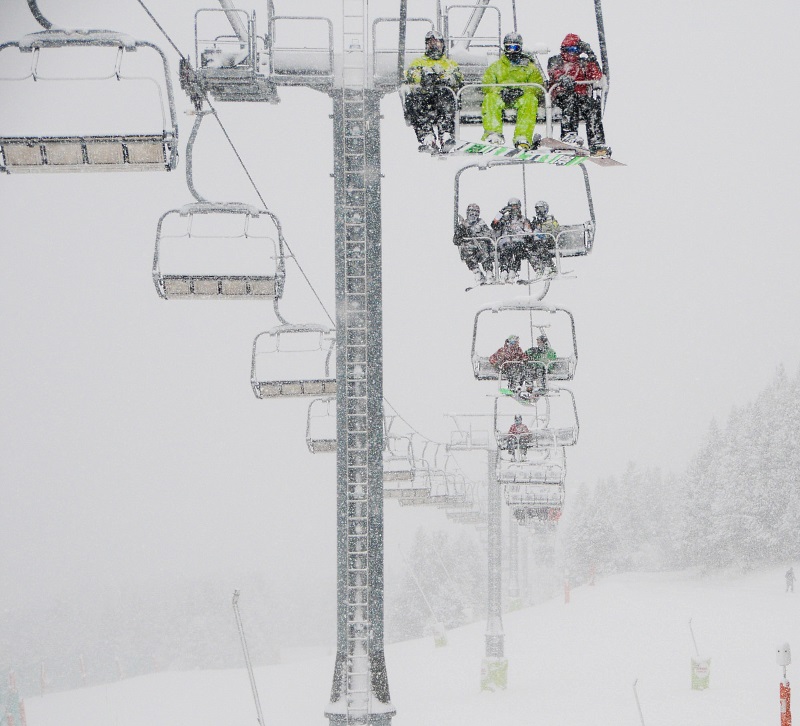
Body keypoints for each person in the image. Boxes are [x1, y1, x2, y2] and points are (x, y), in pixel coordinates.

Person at [547, 34, 610, 156]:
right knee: (570, 100)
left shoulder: (583, 63)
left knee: (592, 106)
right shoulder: (556, 61)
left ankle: (596, 142)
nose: (572, 54)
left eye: (575, 50)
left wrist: (591, 56)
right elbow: (554, 72)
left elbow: (596, 76)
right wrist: (562, 78)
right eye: (569, 50)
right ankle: (568, 133)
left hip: (581, 95)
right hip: (562, 95)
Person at [481, 32, 545, 150]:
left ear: (520, 48)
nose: (512, 51)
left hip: (521, 97)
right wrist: (501, 90)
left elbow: (537, 86)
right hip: (501, 96)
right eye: (508, 48)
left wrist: (521, 90)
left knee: (530, 100)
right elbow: (487, 84)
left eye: (515, 48)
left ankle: (522, 136)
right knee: (490, 98)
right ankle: (493, 133)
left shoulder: (529, 67)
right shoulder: (496, 67)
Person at [404, 30, 464, 154]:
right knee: (414, 100)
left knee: (446, 97)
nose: (434, 46)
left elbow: (458, 76)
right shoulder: (419, 62)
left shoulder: (449, 63)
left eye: (437, 43)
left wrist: (448, 79)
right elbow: (410, 74)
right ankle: (427, 136)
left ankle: (446, 135)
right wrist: (424, 76)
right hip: (424, 97)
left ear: (442, 45)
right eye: (431, 43)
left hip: (442, 97)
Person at [491, 197, 534, 282]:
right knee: (505, 250)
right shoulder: (504, 219)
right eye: (512, 207)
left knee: (518, 250)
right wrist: (501, 213)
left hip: (518, 241)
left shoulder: (523, 219)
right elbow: (494, 225)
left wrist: (523, 235)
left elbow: (529, 232)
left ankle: (513, 270)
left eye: (516, 206)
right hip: (506, 241)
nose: (514, 209)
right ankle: (504, 270)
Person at [454, 203, 495, 284]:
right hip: (469, 248)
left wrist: (478, 235)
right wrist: (461, 231)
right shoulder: (463, 225)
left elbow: (489, 234)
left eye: (475, 213)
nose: (473, 215)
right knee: (468, 253)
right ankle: (477, 272)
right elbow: (456, 240)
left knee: (484, 254)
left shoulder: (481, 224)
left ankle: (489, 273)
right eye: (471, 213)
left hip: (481, 248)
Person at [527, 200, 560, 275]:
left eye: (541, 209)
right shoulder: (535, 221)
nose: (539, 211)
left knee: (541, 247)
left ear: (545, 209)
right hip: (539, 242)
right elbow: (531, 232)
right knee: (529, 250)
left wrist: (546, 236)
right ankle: (538, 269)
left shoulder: (551, 219)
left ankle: (550, 267)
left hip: (550, 241)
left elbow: (556, 230)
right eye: (537, 209)